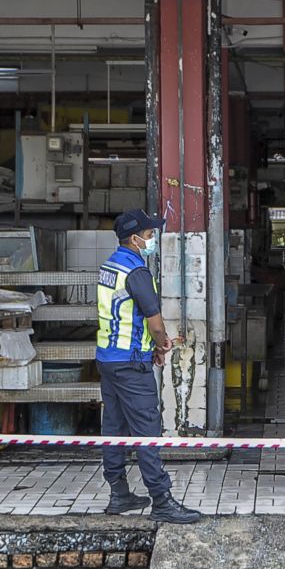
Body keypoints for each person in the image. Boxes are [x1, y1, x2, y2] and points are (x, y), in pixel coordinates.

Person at [96, 209, 201, 524]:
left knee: (114, 428)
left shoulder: (109, 266)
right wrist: (160, 344)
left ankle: (119, 493)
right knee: (147, 430)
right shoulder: (136, 272)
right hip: (131, 365)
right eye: (150, 235)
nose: (153, 240)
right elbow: (154, 322)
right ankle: (161, 500)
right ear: (134, 239)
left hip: (108, 359)